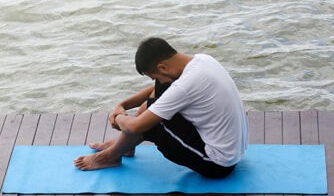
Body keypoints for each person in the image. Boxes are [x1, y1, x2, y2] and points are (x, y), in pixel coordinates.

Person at [74, 37, 248, 178]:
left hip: (217, 164)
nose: (157, 81)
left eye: (154, 76)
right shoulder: (202, 60)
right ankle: (125, 145)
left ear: (162, 66)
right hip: (234, 151)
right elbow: (157, 88)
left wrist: (117, 116)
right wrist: (123, 105)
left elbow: (136, 126)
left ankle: (111, 156)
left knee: (151, 121)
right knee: (161, 90)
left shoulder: (186, 85)